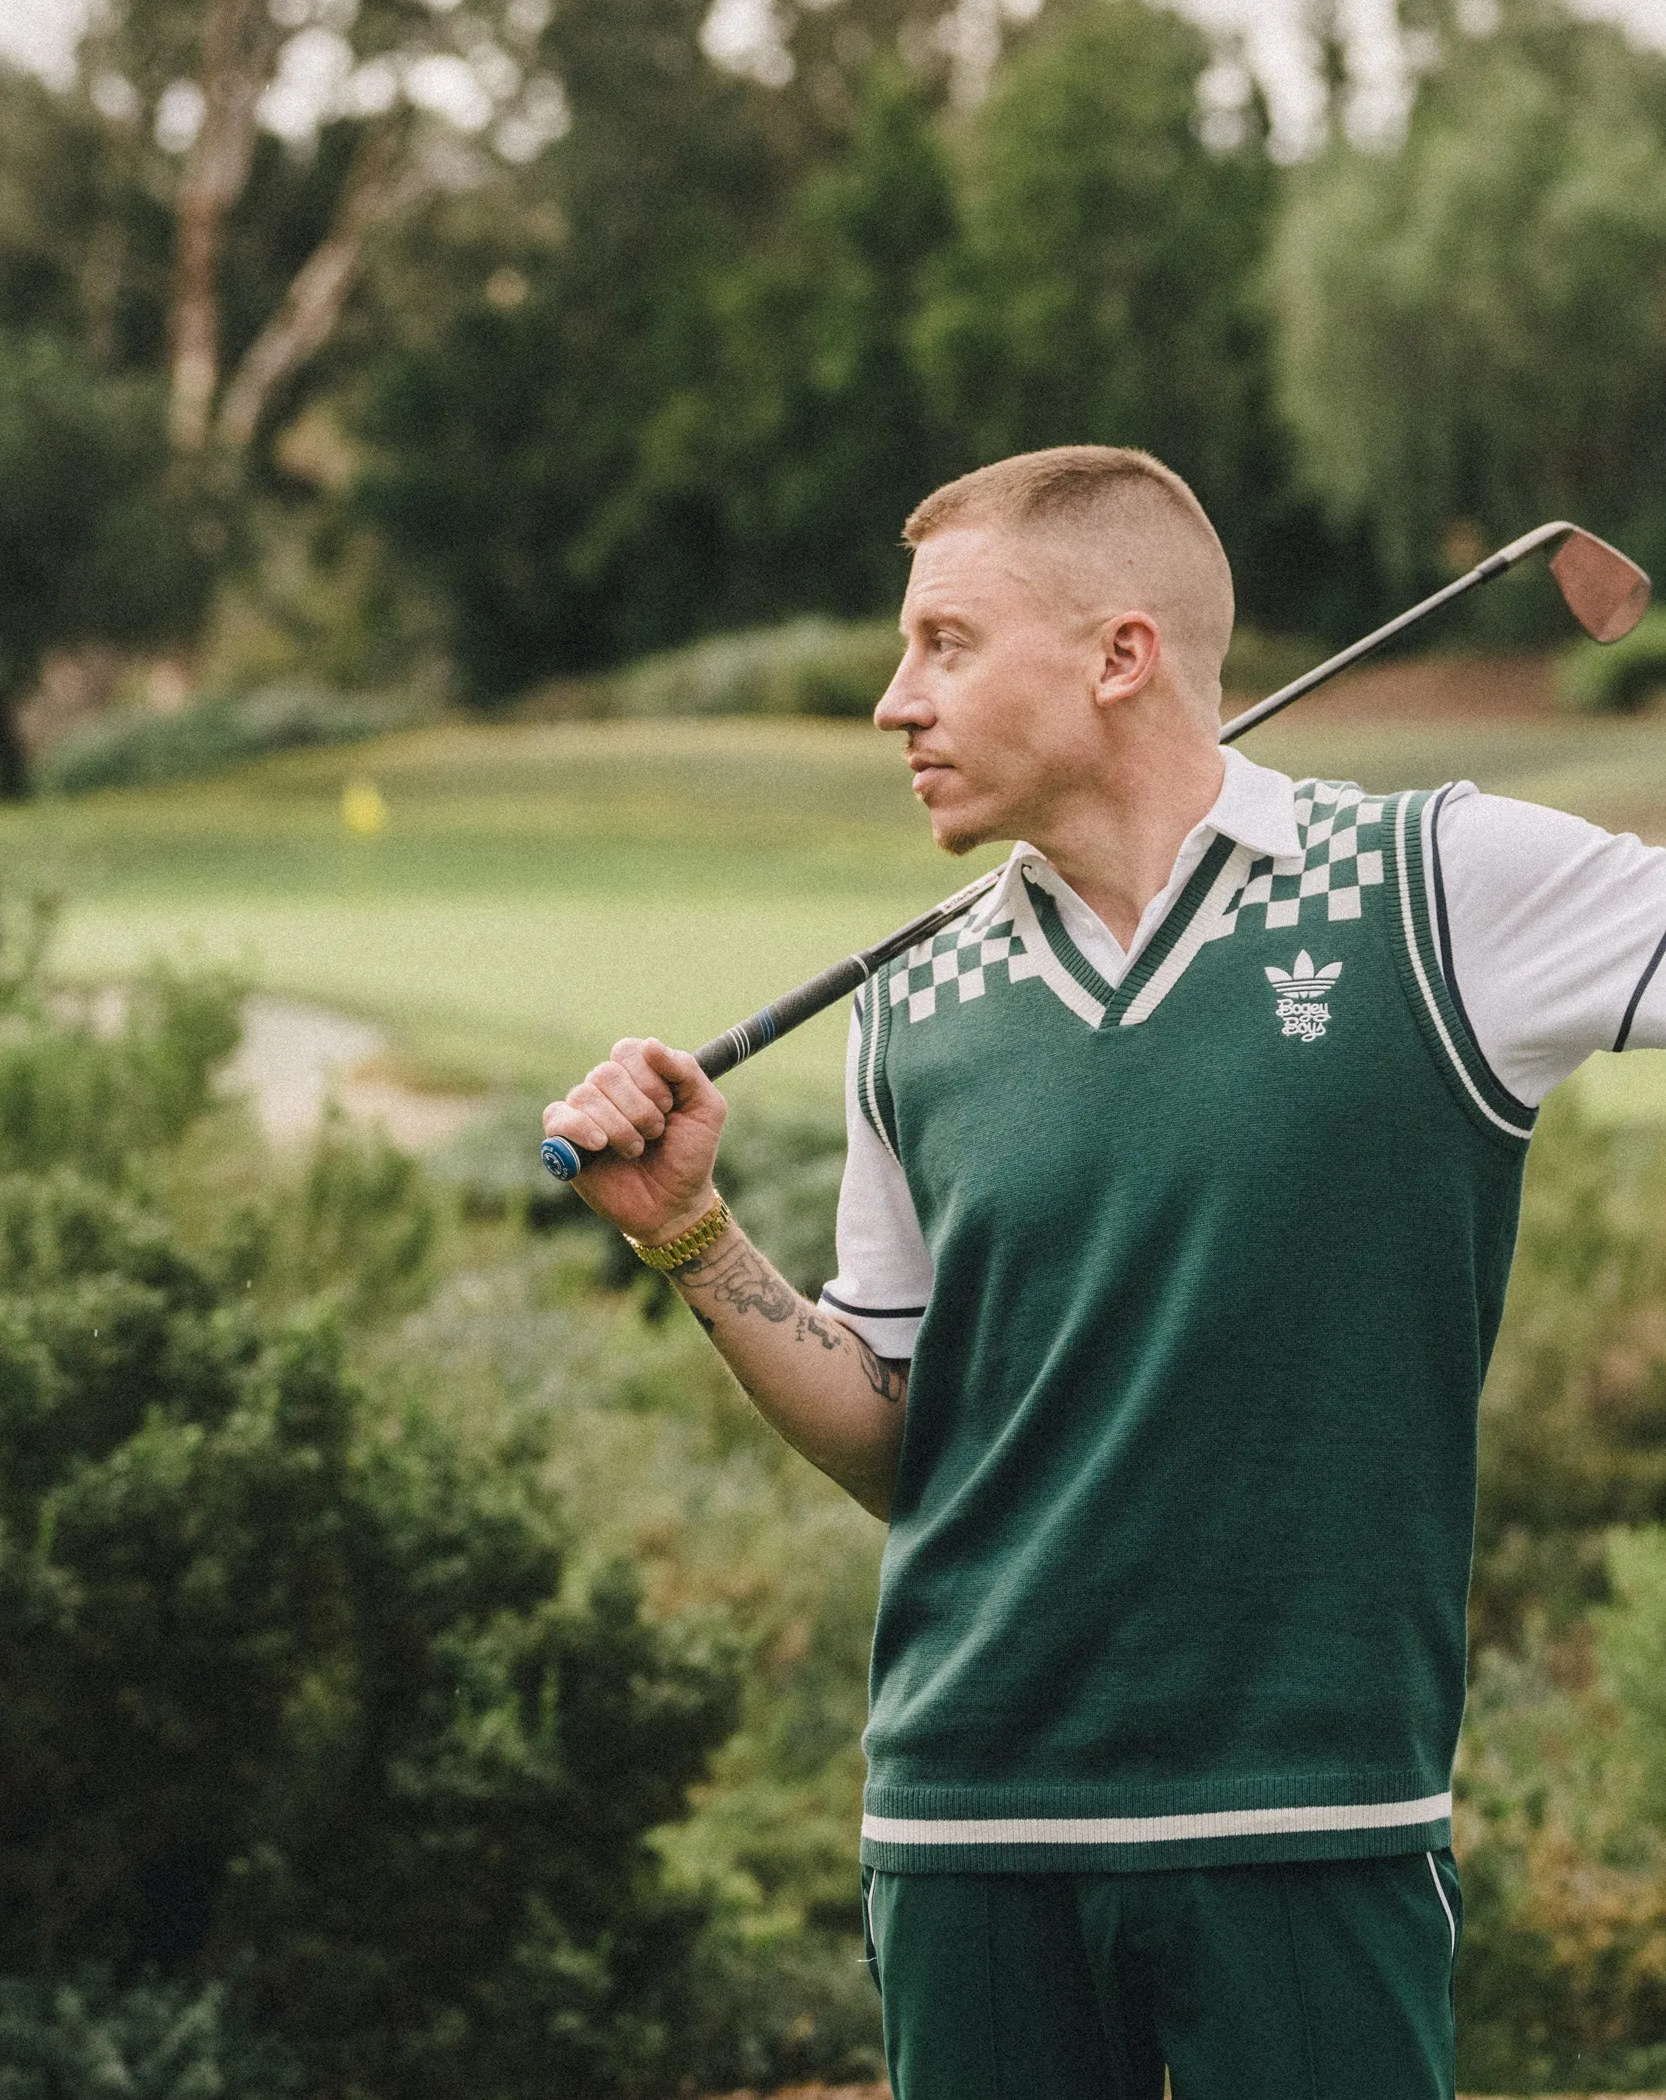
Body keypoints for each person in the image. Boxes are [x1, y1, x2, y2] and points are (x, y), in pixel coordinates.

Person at [539, 444, 1666, 2100]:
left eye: (946, 644)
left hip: (1308, 1821)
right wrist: (690, 1236)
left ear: (1119, 655)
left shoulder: (1434, 888)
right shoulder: (911, 1014)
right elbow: (907, 1438)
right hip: (963, 1836)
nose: (891, 703)